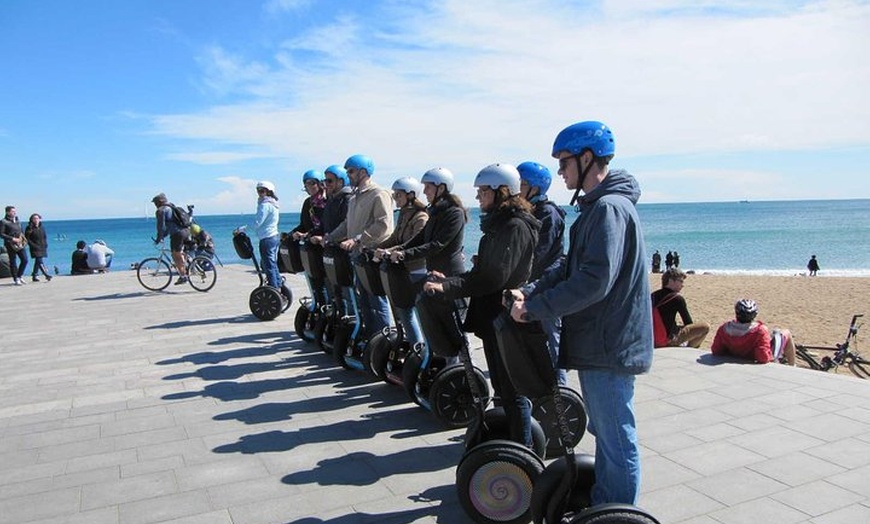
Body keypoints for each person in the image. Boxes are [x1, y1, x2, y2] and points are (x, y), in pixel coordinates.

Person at [508, 121, 652, 505]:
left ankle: (617, 513)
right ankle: (608, 503)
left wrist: (536, 309)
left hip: (610, 343)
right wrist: (531, 290)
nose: (559, 171)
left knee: (616, 438)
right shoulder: (597, 208)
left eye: (565, 162)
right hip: (600, 340)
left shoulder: (608, 208)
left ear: (587, 159)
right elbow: (572, 265)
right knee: (609, 436)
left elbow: (593, 280)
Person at [424, 163, 539, 449]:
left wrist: (448, 286)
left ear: (501, 192)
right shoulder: (501, 225)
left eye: (483, 192)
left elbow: (493, 277)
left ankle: (523, 452)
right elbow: (487, 272)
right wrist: (450, 279)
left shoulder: (513, 226)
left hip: (505, 317)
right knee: (502, 389)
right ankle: (512, 444)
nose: (478, 198)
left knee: (512, 392)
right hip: (494, 317)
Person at [393, 167, 468, 362]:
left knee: (455, 331)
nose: (424, 191)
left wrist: (404, 255)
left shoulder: (454, 213)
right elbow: (420, 238)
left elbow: (437, 245)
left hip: (451, 277)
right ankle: (448, 371)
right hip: (435, 276)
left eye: (428, 187)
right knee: (440, 330)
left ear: (441, 188)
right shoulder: (435, 212)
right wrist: (399, 250)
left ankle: (464, 374)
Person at [323, 154, 394, 338]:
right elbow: (347, 224)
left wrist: (357, 240)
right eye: (347, 171)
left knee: (376, 300)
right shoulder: (354, 198)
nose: (348, 175)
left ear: (364, 172)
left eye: (351, 171)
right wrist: (330, 237)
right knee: (363, 300)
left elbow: (383, 225)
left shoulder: (379, 194)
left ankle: (384, 339)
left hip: (372, 255)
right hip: (357, 256)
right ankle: (371, 339)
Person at [517, 160, 568, 385]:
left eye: (521, 184)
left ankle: (561, 386)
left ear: (534, 188)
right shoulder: (532, 211)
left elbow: (540, 251)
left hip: (546, 281)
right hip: (533, 281)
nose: (517, 190)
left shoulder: (548, 213)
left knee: (551, 336)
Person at [375, 177, 429, 347]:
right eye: (394, 195)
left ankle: (419, 347)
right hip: (401, 270)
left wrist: (388, 251)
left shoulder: (421, 217)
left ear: (411, 195)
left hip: (416, 270)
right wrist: (376, 247)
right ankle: (415, 346)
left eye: (398, 195)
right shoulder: (404, 215)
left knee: (410, 311)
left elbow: (413, 243)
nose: (395, 198)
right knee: (402, 310)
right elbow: (395, 237)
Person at [711, 299, 796, 365]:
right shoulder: (759, 330)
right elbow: (763, 357)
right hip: (753, 357)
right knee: (785, 333)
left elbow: (716, 350)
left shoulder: (725, 328)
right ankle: (792, 365)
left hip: (736, 354)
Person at [652, 267, 710, 348]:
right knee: (705, 327)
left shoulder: (652, 295)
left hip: (652, 339)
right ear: (671, 281)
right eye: (681, 281)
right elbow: (688, 323)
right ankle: (690, 349)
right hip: (668, 340)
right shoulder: (677, 298)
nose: (682, 285)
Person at [152, 193, 190, 285]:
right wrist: (164, 235)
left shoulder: (161, 210)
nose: (155, 205)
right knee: (181, 252)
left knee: (175, 255)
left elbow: (161, 227)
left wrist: (158, 238)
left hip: (177, 234)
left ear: (159, 202)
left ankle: (183, 276)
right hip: (186, 231)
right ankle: (190, 262)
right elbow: (171, 225)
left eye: (155, 203)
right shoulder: (172, 207)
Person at [253, 181, 281, 289]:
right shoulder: (274, 204)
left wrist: (245, 229)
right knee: (272, 263)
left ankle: (273, 287)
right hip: (274, 236)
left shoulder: (265, 205)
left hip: (266, 238)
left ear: (269, 192)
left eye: (262, 191)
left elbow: (258, 221)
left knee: (268, 265)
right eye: (258, 191)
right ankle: (278, 284)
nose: (260, 193)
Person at [291, 170, 328, 240]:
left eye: (312, 183)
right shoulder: (308, 202)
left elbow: (328, 224)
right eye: (306, 184)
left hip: (325, 237)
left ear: (320, 184)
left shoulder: (328, 200)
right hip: (311, 237)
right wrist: (292, 233)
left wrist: (309, 234)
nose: (309, 187)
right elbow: (304, 225)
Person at [1, 205, 29, 285]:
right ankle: (16, 278)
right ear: (7, 212)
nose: (14, 213)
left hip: (20, 243)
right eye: (12, 211)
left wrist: (23, 239)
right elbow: (1, 234)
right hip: (10, 244)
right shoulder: (3, 221)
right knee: (13, 261)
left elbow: (21, 231)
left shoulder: (17, 220)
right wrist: (12, 239)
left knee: (25, 259)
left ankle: (19, 275)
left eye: (14, 211)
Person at [25, 213, 52, 282]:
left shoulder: (41, 227)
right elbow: (27, 239)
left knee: (38, 261)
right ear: (32, 220)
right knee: (39, 260)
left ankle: (34, 275)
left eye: (37, 218)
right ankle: (46, 275)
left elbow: (44, 236)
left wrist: (45, 244)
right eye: (34, 219)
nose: (36, 220)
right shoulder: (29, 228)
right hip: (35, 247)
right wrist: (32, 245)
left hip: (42, 246)